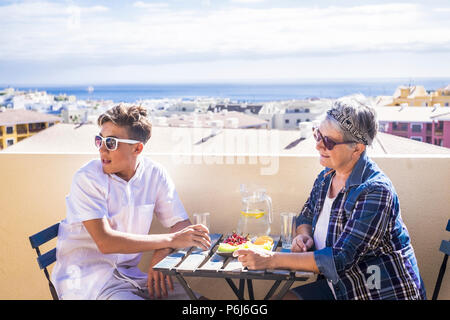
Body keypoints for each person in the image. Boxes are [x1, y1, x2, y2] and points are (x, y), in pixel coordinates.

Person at [234, 96, 426, 300]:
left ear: (357, 148)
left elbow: (339, 259)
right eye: (318, 134)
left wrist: (271, 260)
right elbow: (305, 217)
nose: (318, 145)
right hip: (343, 287)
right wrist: (304, 236)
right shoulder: (327, 176)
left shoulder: (375, 191)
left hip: (379, 292)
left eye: (328, 141)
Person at [51, 104, 211, 300]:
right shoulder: (87, 178)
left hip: (132, 277)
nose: (102, 148)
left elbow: (181, 226)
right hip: (87, 283)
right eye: (99, 140)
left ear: (137, 148)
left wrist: (163, 252)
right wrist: (170, 240)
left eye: (111, 142)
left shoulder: (154, 174)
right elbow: (106, 242)